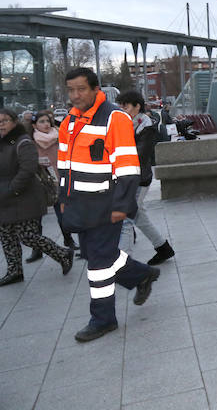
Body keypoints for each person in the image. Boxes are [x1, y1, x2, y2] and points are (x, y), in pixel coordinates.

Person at [57, 68, 160, 342]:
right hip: (80, 203)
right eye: (70, 90)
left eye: (80, 89)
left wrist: (122, 205)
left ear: (94, 89)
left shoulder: (115, 118)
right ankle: (142, 275)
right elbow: (64, 165)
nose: (75, 95)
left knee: (99, 263)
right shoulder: (69, 121)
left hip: (106, 203)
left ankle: (102, 319)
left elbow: (128, 166)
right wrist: (64, 200)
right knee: (95, 254)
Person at [0, 108, 75, 286]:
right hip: (4, 197)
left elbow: (27, 169)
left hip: (23, 197)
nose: (1, 124)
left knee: (27, 235)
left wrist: (11, 190)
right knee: (6, 234)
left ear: (14, 122)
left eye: (4, 120)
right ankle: (14, 270)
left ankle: (62, 254)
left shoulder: (23, 141)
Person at [115, 91, 175, 265]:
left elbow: (140, 156)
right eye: (120, 106)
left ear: (137, 106)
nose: (122, 109)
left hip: (138, 179)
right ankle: (163, 248)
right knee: (138, 215)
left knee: (126, 218)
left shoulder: (146, 126)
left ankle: (123, 264)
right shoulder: (128, 123)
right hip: (128, 177)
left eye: (125, 106)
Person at [27, 111, 78, 263]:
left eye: (48, 121)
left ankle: (68, 241)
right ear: (34, 125)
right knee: (36, 218)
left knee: (62, 214)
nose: (46, 124)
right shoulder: (29, 141)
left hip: (59, 180)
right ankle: (37, 250)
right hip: (39, 183)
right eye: (41, 121)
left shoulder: (59, 136)